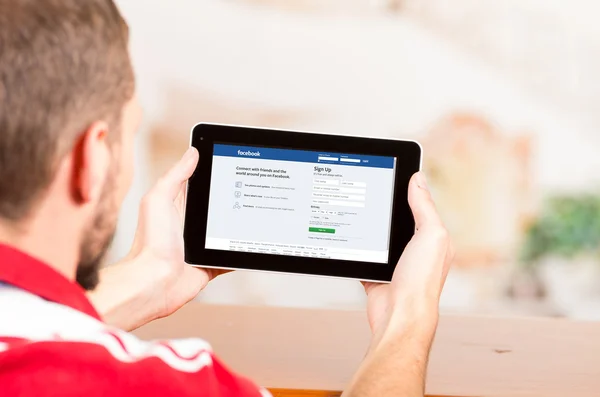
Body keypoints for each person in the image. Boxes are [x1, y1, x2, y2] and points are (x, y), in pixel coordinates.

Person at [0, 1, 453, 396]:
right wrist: (407, 320)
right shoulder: (161, 384)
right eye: (129, 133)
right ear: (91, 159)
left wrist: (150, 276)